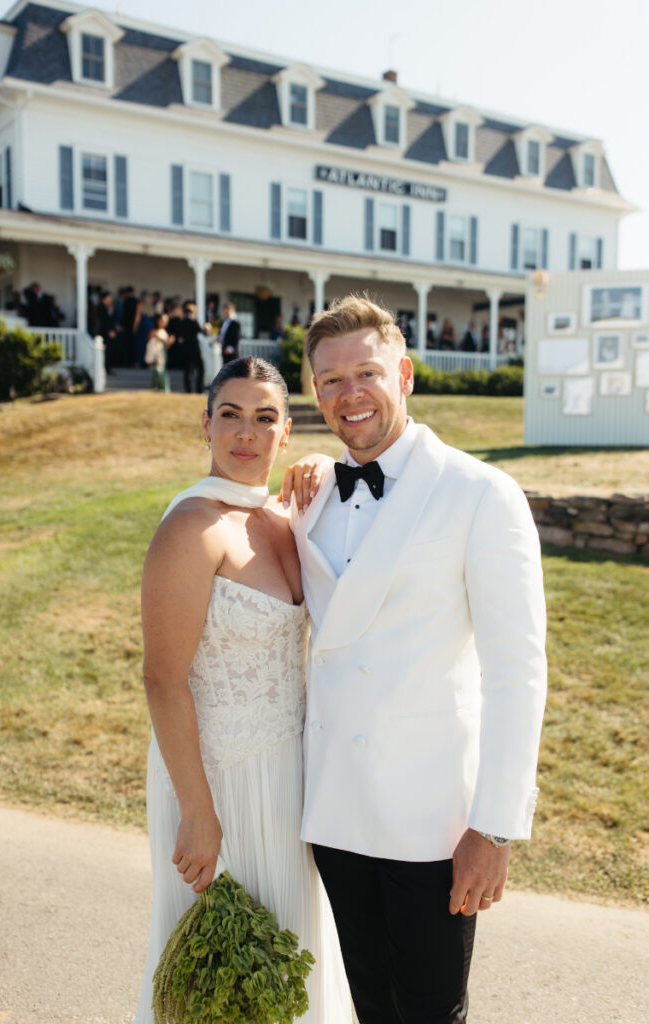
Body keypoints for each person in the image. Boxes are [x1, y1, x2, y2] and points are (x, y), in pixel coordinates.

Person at [291, 295, 547, 1024]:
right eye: (331, 380)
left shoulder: (479, 493)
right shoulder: (309, 500)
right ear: (316, 393)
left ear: (404, 375)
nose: (350, 394)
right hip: (336, 814)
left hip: (430, 824)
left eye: (366, 373)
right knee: (367, 1005)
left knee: (431, 1011)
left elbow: (516, 672)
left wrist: (493, 827)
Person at [135, 358, 351, 1024]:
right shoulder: (191, 529)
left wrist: (319, 466)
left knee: (287, 964)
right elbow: (162, 678)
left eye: (264, 418)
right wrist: (198, 813)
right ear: (206, 424)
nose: (245, 433)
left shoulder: (287, 518)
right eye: (229, 414)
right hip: (214, 780)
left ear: (284, 433)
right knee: (222, 980)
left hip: (289, 782)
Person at [177, 302, 207, 393]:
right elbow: (203, 332)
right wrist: (205, 328)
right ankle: (199, 389)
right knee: (201, 369)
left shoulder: (181, 323)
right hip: (194, 350)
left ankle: (188, 390)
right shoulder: (194, 322)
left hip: (185, 350)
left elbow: (179, 338)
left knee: (187, 372)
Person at [144, 313, 173, 392]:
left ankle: (162, 386)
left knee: (162, 370)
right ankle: (157, 386)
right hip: (156, 354)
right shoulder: (154, 331)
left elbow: (167, 345)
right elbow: (151, 341)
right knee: (157, 370)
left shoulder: (165, 332)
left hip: (162, 354)